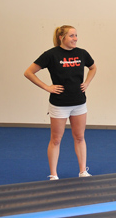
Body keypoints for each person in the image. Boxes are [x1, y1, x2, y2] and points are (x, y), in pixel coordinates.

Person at [24, 25, 97, 180]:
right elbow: (29, 72)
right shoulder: (51, 55)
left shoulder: (82, 53)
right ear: (61, 37)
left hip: (79, 102)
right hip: (59, 104)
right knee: (56, 140)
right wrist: (47, 87)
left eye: (76, 35)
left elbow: (93, 68)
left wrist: (87, 82)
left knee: (80, 137)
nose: (75, 38)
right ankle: (53, 174)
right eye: (71, 36)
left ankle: (83, 171)